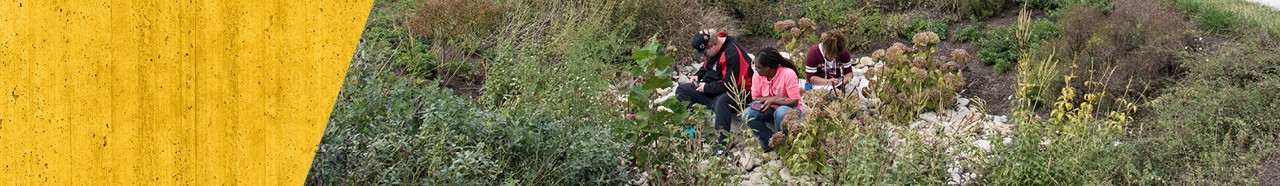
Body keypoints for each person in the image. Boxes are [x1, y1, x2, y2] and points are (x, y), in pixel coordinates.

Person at [676, 29, 754, 150]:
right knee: (682, 90)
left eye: (704, 52)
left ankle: (721, 147)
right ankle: (692, 133)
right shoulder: (715, 49)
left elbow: (731, 84)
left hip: (739, 93)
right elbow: (708, 65)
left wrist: (707, 88)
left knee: (721, 102)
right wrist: (698, 75)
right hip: (715, 89)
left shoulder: (732, 53)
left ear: (712, 45)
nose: (704, 55)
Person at [745, 47, 804, 152]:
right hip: (769, 108)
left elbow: (794, 101)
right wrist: (772, 99)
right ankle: (771, 141)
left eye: (758, 67)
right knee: (747, 115)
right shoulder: (757, 75)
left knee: (781, 112)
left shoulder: (788, 74)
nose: (755, 69)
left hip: (789, 108)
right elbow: (755, 97)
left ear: (767, 68)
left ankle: (784, 142)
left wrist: (773, 101)